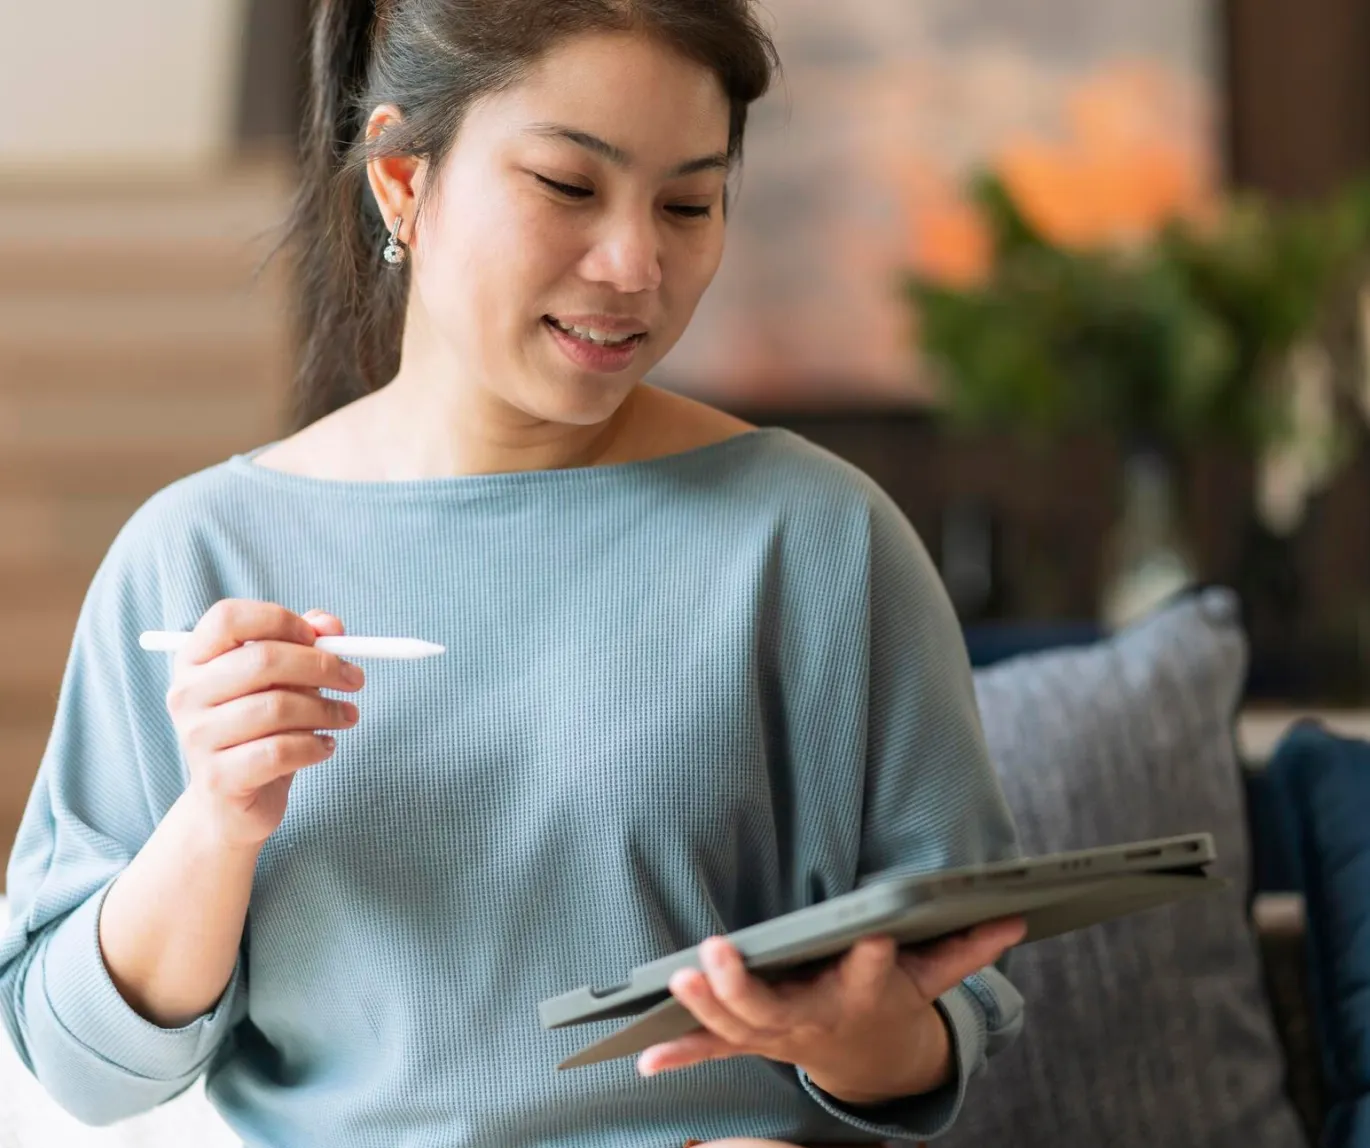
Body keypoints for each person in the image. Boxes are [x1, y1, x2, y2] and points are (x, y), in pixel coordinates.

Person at [0, 1, 1027, 1145]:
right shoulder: (194, 555)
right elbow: (78, 1066)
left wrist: (853, 1038)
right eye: (567, 187)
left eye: (688, 203)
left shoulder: (815, 539)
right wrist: (215, 827)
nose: (636, 263)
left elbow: (959, 994)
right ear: (400, 176)